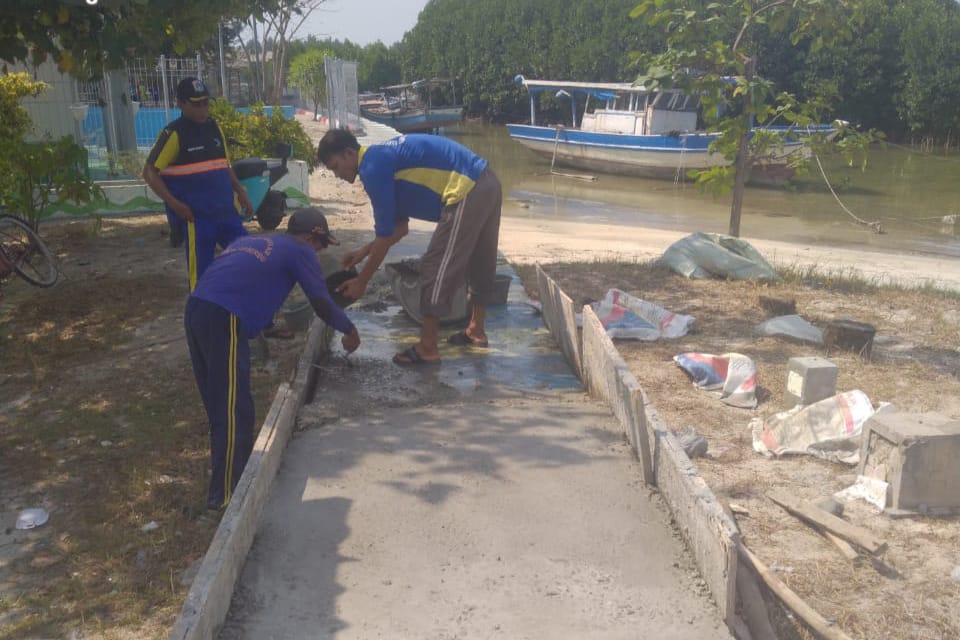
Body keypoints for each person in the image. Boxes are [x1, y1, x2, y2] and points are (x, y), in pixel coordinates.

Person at [184, 207, 360, 510]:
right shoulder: (300, 250)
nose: (319, 253)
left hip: (196, 308)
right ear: (311, 237)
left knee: (219, 402)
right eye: (321, 245)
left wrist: (266, 325)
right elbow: (320, 301)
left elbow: (247, 280)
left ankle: (229, 475)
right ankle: (224, 498)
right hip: (223, 316)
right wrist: (349, 329)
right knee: (235, 410)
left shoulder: (255, 241)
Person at [316, 128, 502, 366]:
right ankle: (476, 329)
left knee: (436, 266)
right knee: (480, 258)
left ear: (349, 153)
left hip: (466, 189)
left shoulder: (372, 168)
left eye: (335, 167)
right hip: (487, 181)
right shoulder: (380, 159)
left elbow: (385, 235)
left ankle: (428, 347)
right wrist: (363, 252)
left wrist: (362, 281)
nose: (337, 175)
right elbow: (399, 228)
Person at [143, 77, 254, 291]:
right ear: (180, 104)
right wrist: (175, 205)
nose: (203, 110)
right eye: (196, 105)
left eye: (206, 103)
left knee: (250, 258)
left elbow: (224, 164)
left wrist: (240, 190)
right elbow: (149, 173)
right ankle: (200, 311)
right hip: (198, 220)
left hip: (226, 213)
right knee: (202, 279)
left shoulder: (214, 128)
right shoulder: (174, 134)